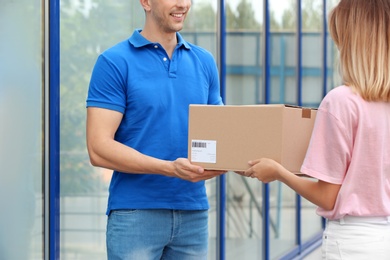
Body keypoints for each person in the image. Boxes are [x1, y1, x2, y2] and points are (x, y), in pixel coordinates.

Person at [242, 0, 390, 259]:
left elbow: (327, 197)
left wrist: (279, 172)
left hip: (352, 244)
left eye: (341, 39)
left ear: (354, 42)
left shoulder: (341, 101)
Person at [86, 0, 224, 259]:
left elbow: (221, 133)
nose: (183, 4)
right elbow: (98, 148)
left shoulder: (204, 62)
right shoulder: (114, 62)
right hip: (135, 215)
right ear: (146, 2)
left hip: (193, 213)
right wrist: (170, 168)